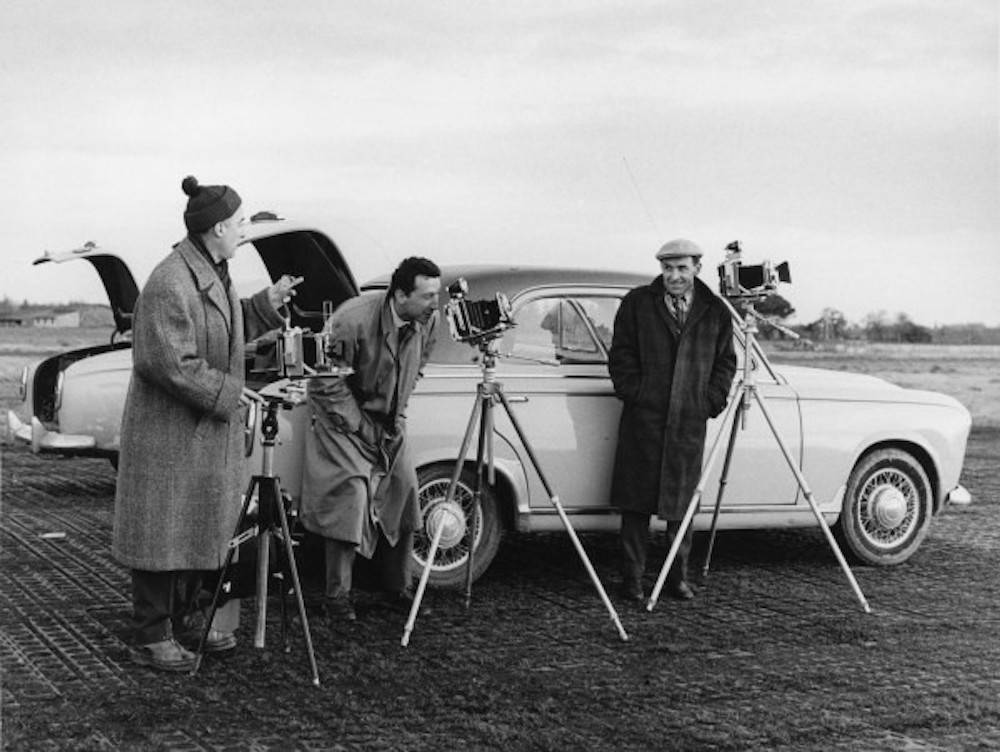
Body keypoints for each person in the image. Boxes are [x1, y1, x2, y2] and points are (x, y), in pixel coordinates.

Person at [112, 176, 302, 672]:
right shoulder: (169, 280)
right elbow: (168, 361)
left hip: (198, 432)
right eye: (240, 223)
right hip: (170, 433)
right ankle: (150, 635)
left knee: (197, 527)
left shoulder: (211, 270)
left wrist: (266, 305)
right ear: (218, 227)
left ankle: (185, 619)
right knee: (162, 531)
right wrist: (229, 392)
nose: (244, 230)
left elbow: (221, 322)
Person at [299, 257, 441, 621]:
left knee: (406, 490)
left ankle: (397, 586)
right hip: (341, 419)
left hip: (389, 423)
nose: (435, 303)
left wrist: (398, 412)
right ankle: (336, 597)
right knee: (352, 495)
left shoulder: (428, 319)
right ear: (400, 295)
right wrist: (359, 425)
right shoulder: (351, 319)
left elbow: (419, 363)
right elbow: (324, 379)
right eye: (427, 296)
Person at [608, 238, 737, 602]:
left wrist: (709, 401)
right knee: (635, 505)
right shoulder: (637, 303)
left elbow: (726, 361)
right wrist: (636, 392)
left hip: (688, 421)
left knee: (682, 505)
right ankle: (631, 579)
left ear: (697, 267)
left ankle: (676, 578)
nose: (674, 276)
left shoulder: (715, 309)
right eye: (667, 268)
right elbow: (620, 355)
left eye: (682, 268)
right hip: (643, 420)